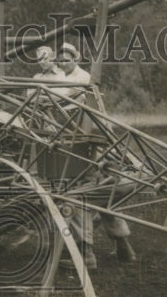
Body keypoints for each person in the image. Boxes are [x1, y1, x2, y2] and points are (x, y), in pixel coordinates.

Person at [53, 42, 137, 268]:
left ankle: (86, 255)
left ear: (75, 58)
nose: (62, 62)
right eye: (59, 58)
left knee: (78, 195)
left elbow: (62, 98)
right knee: (103, 197)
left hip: (92, 149)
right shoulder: (64, 78)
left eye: (66, 58)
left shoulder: (82, 79)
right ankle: (124, 248)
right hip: (100, 157)